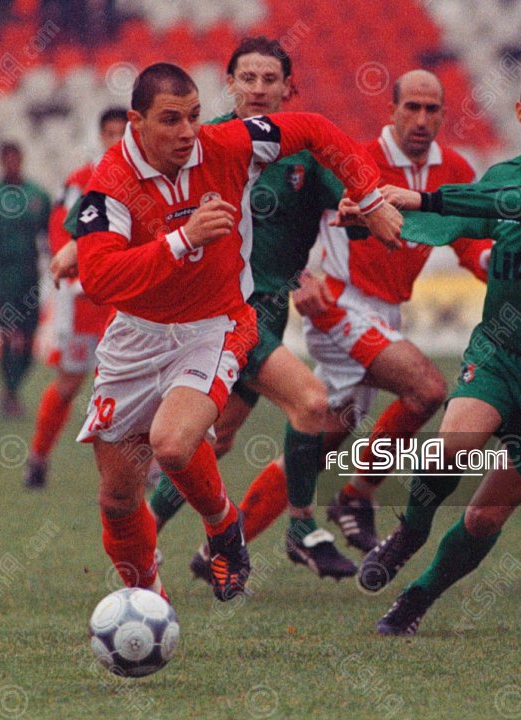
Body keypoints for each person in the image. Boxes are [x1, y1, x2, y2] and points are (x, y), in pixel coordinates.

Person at [74, 62, 401, 604]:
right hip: (135, 337)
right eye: (171, 120)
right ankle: (148, 598)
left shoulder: (228, 144)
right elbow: (99, 278)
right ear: (136, 122)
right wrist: (183, 240)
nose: (187, 132)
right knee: (117, 499)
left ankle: (225, 528)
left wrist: (369, 199)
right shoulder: (111, 181)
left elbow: (315, 129)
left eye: (194, 116)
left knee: (172, 444)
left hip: (215, 325)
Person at [347, 65, 521, 636]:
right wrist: (370, 218)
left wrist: (421, 195)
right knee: (450, 447)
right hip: (503, 353)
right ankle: (411, 530)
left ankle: (418, 598)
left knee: (483, 515)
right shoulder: (501, 176)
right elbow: (454, 220)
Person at [146, 37, 361, 580]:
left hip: (270, 311)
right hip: (223, 313)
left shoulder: (306, 155)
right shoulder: (204, 143)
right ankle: (302, 526)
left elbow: (350, 204)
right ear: (230, 83)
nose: (259, 88)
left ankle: (142, 531)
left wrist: (363, 211)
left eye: (270, 79)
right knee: (312, 402)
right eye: (248, 78)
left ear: (289, 88)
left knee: (211, 440)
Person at [299, 69, 492, 554]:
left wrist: (500, 265)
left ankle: (227, 540)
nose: (422, 119)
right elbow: (296, 217)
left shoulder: (456, 170)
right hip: (339, 303)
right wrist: (298, 275)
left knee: (321, 436)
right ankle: (355, 496)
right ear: (392, 110)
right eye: (412, 107)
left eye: (432, 109)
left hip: (387, 314)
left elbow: (469, 242)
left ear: (443, 114)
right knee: (427, 390)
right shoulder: (357, 159)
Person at [23, 107, 128, 489]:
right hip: (85, 300)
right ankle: (38, 457)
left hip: (126, 298)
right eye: (110, 133)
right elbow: (60, 232)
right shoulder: (82, 180)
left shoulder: (144, 177)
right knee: (69, 382)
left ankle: (146, 468)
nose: (116, 140)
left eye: (123, 133)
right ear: (101, 136)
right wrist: (77, 271)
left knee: (134, 382)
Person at [0, 142, 51, 418]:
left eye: (16, 159)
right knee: (6, 335)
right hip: (1, 277)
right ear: (0, 162)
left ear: (22, 160)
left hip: (30, 276)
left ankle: (11, 389)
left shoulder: (37, 195)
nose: (12, 164)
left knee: (29, 339)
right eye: (7, 160)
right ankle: (10, 392)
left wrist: (60, 263)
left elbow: (50, 235)